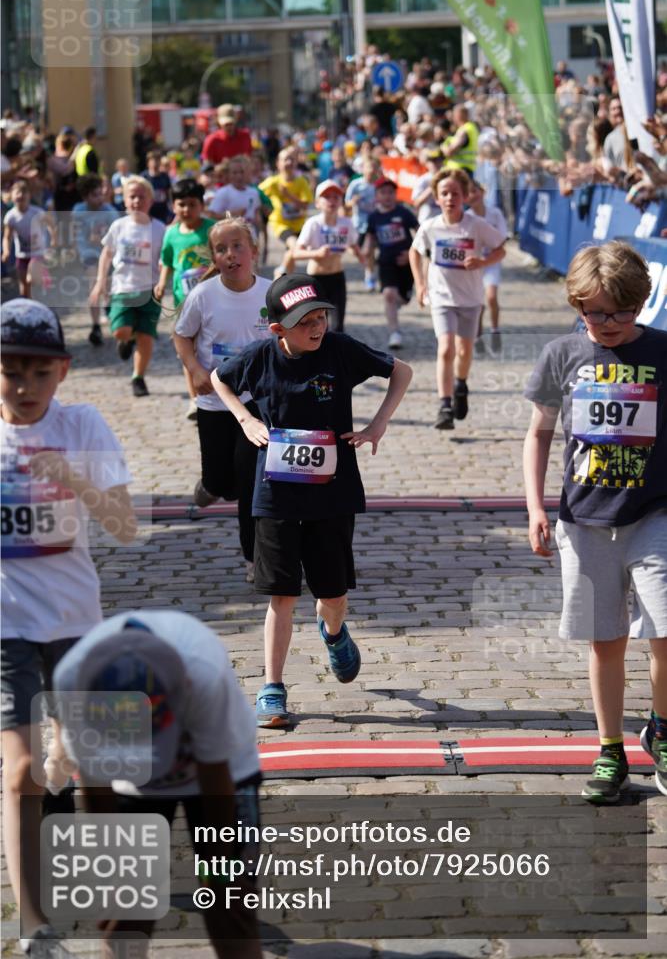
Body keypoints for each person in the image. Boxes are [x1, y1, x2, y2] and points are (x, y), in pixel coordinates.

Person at [211, 274, 413, 728]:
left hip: (332, 492)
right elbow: (217, 379)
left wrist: (377, 424)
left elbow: (401, 370)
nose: (317, 326)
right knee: (281, 595)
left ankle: (335, 632)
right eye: (305, 322)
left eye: (321, 316)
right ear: (277, 328)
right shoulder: (260, 358)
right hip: (276, 494)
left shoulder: (340, 349)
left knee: (332, 594)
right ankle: (272, 687)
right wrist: (244, 419)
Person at [0, 298, 135, 958]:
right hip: (7, 631)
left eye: (36, 373)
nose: (23, 388)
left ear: (63, 371)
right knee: (21, 771)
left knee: (98, 764)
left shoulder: (83, 425)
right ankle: (33, 920)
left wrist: (71, 479)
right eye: (9, 372)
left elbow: (123, 524)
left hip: (80, 621)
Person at [523, 241, 667, 803]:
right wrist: (535, 507)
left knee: (664, 634)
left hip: (655, 514)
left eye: (621, 311)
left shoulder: (662, 352)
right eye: (595, 312)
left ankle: (662, 729)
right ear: (576, 304)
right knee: (605, 640)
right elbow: (538, 435)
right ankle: (610, 749)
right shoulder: (562, 355)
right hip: (584, 521)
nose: (608, 323)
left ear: (641, 303)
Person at [52, 609, 262, 959]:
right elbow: (95, 783)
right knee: (126, 918)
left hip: (225, 773)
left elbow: (216, 779)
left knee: (229, 911)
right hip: (130, 786)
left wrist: (220, 872)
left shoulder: (201, 672)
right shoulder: (73, 681)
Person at [173, 217, 271, 581]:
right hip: (215, 402)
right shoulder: (204, 295)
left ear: (254, 252)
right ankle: (210, 485)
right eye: (221, 249)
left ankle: (253, 559)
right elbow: (181, 336)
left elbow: (287, 337)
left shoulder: (270, 293)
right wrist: (196, 370)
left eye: (237, 246)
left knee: (250, 483)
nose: (230, 254)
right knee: (222, 480)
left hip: (257, 405)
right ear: (214, 257)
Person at [408, 168, 505, 430]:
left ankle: (461, 384)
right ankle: (445, 405)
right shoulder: (430, 227)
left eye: (455, 193)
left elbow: (501, 248)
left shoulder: (475, 225)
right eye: (444, 193)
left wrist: (482, 261)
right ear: (437, 198)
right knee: (446, 348)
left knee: (464, 350)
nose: (450, 198)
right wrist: (420, 285)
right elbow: (415, 252)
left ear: (464, 197)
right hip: (441, 297)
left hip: (471, 298)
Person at [89, 175, 165, 397]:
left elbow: (166, 260)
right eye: (132, 196)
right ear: (124, 200)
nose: (137, 201)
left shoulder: (160, 229)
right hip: (122, 289)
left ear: (151, 200)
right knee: (121, 331)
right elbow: (107, 253)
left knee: (146, 337)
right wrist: (101, 281)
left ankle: (138, 378)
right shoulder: (119, 226)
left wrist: (163, 282)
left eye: (142, 197)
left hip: (150, 291)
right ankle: (125, 340)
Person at [154, 178, 214, 419]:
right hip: (182, 302)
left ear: (201, 205)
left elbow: (222, 258)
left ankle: (216, 393)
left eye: (192, 204)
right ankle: (194, 400)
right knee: (186, 350)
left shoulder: (212, 229)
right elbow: (167, 262)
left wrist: (208, 276)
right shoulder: (171, 234)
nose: (186, 210)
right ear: (173, 206)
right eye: (181, 205)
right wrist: (160, 283)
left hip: (211, 300)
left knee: (208, 348)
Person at [292, 180, 363, 333]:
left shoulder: (346, 223)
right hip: (316, 280)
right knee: (316, 327)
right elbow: (296, 253)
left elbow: (353, 245)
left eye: (336, 197)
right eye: (327, 197)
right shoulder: (313, 224)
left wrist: (361, 256)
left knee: (338, 327)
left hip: (337, 278)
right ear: (317, 203)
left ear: (341, 201)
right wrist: (316, 253)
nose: (332, 201)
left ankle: (335, 357)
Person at [363, 177, 419, 350]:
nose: (387, 196)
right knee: (388, 294)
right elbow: (370, 239)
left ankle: (399, 301)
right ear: (377, 196)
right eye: (383, 193)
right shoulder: (374, 217)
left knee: (403, 298)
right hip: (386, 262)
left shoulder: (404, 213)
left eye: (390, 192)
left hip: (406, 263)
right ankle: (395, 333)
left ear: (395, 195)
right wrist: (366, 256)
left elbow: (420, 233)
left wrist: (411, 253)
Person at [71, 174, 119, 346]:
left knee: (107, 286)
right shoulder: (78, 211)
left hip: (107, 255)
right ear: (85, 196)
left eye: (101, 193)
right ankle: (95, 326)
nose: (99, 198)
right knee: (94, 285)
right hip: (88, 254)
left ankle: (108, 306)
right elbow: (75, 233)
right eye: (94, 195)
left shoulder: (110, 212)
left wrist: (101, 237)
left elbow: (115, 237)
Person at [466, 178, 508, 357]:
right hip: (475, 264)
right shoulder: (467, 217)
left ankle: (495, 330)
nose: (472, 195)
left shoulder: (495, 213)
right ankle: (477, 337)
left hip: (491, 261)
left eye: (475, 191)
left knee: (491, 297)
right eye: (468, 193)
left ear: (482, 192)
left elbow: (503, 237)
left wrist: (489, 248)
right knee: (478, 304)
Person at [259, 145, 313, 279]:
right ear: (278, 164)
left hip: (299, 224)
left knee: (292, 256)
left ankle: (284, 279)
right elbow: (256, 193)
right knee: (294, 245)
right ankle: (281, 271)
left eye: (291, 160)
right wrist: (264, 207)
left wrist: (288, 195)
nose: (288, 163)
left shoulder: (301, 182)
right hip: (280, 224)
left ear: (296, 163)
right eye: (285, 160)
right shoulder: (272, 182)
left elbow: (306, 204)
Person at [2, 180, 52, 299]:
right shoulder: (11, 216)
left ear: (29, 196)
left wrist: (53, 240)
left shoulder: (36, 212)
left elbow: (51, 224)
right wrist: (6, 251)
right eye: (17, 193)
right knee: (24, 287)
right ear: (12, 196)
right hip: (22, 254)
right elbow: (7, 237)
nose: (20, 196)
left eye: (24, 193)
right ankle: (28, 308)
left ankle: (43, 274)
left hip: (36, 252)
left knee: (30, 279)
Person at [344, 156, 379, 291]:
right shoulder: (356, 184)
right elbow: (347, 203)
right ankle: (369, 268)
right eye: (369, 167)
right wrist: (353, 202)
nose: (371, 170)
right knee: (359, 251)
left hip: (374, 223)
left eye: (374, 168)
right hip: (358, 223)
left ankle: (369, 276)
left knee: (369, 251)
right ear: (363, 169)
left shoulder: (379, 185)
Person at [207, 155, 262, 234]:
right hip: (230, 238)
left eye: (242, 172)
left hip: (251, 237)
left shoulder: (254, 192)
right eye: (234, 173)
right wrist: (231, 214)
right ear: (229, 174)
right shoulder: (223, 192)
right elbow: (211, 215)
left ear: (247, 172)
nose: (239, 176)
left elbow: (256, 214)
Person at [441, 104, 479, 176]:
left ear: (460, 114)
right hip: (466, 169)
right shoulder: (471, 127)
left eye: (454, 114)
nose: (453, 117)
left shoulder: (464, 129)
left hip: (459, 171)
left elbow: (449, 152)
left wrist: (444, 147)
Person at [142, 150, 172, 225]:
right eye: (153, 161)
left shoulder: (165, 176)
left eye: (157, 160)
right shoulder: (143, 177)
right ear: (148, 163)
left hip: (163, 212)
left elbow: (169, 192)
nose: (155, 163)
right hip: (149, 212)